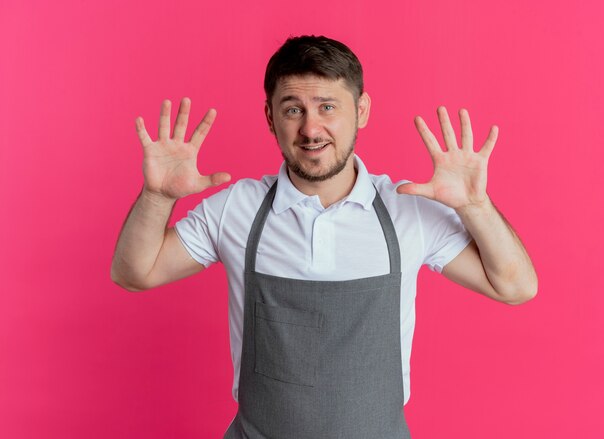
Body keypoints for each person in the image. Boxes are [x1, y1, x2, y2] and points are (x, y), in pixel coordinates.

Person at [111, 35, 537, 439]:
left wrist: (474, 207)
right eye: (293, 109)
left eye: (327, 106)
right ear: (270, 117)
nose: (311, 130)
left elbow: (516, 286)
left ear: (362, 109)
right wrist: (157, 196)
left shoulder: (409, 209)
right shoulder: (236, 209)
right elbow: (135, 272)